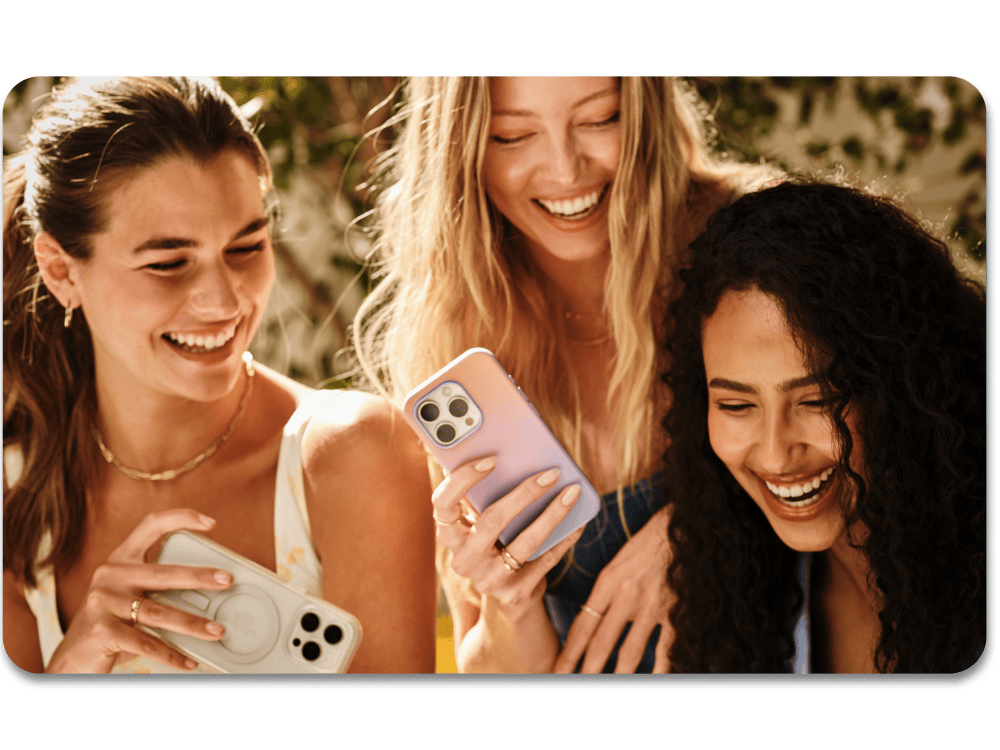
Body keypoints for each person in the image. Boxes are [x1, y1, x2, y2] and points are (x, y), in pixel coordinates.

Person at [2, 76, 436, 674]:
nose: (223, 300)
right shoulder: (16, 500)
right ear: (60, 270)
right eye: (169, 263)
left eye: (245, 247)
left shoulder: (351, 457)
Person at [352, 76, 775, 672]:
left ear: (645, 109)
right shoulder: (454, 333)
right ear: (460, 149)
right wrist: (510, 604)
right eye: (512, 135)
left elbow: (878, 479)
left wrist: (700, 530)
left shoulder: (760, 244)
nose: (564, 169)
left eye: (599, 119)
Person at [660, 177, 987, 673]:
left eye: (817, 400)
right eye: (736, 406)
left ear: (904, 392)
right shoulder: (734, 588)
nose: (774, 455)